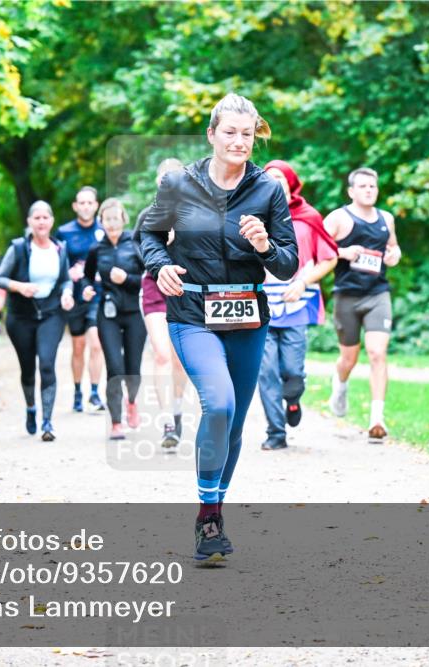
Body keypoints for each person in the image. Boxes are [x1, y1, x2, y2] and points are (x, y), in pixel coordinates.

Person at [139, 93, 298, 561]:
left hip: (248, 316)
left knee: (232, 425)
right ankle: (209, 519)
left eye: (247, 134)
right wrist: (160, 265)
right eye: (229, 132)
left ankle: (213, 510)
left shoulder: (268, 190)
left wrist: (267, 246)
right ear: (211, 134)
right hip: (192, 314)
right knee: (219, 402)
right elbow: (147, 233)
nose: (238, 141)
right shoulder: (178, 185)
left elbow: (289, 265)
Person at [258, 160, 338, 450]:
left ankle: (292, 399)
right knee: (265, 371)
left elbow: (329, 257)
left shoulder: (308, 217)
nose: (274, 181)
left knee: (292, 370)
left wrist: (303, 282)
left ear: (291, 182)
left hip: (297, 303)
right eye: (268, 177)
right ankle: (275, 433)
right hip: (260, 304)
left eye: (279, 177)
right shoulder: (253, 214)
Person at [322, 167, 402, 442]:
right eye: (363, 186)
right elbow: (319, 248)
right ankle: (340, 383)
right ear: (351, 191)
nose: (369, 190)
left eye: (373, 186)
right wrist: (343, 252)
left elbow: (393, 247)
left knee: (377, 352)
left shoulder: (386, 219)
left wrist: (395, 255)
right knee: (349, 358)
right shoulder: (338, 218)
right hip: (347, 295)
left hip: (377, 293)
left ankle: (377, 418)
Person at [0, 201, 75, 441]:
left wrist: (68, 293)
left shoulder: (60, 248)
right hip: (21, 317)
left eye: (45, 218)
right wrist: (20, 287)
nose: (41, 222)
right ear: (30, 222)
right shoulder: (19, 248)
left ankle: (47, 422)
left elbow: (65, 279)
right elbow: (0, 279)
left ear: (51, 222)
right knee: (28, 369)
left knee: (47, 364)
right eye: (36, 218)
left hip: (51, 314)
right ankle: (31, 408)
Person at [135, 159, 190, 448]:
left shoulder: (194, 213)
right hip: (155, 286)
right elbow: (136, 247)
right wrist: (159, 246)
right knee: (161, 355)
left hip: (185, 288)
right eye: (164, 177)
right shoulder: (148, 214)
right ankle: (167, 420)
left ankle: (178, 409)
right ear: (158, 182)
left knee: (180, 359)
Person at [82, 199, 147, 441]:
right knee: (115, 368)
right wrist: (87, 289)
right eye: (107, 219)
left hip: (133, 313)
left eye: (115, 218)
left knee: (132, 368)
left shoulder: (135, 244)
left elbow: (147, 281)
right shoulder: (95, 250)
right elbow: (87, 279)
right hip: (107, 312)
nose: (111, 223)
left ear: (123, 219)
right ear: (101, 222)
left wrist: (127, 279)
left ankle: (132, 401)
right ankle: (116, 422)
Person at [55, 187, 106, 413]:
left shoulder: (104, 230)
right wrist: (69, 273)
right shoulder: (64, 232)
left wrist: (99, 272)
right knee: (78, 346)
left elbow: (112, 258)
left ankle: (95, 393)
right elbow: (56, 263)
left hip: (97, 293)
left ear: (96, 205)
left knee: (96, 343)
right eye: (81, 203)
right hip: (74, 296)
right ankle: (78, 392)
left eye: (89, 203)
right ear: (75, 206)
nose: (85, 207)